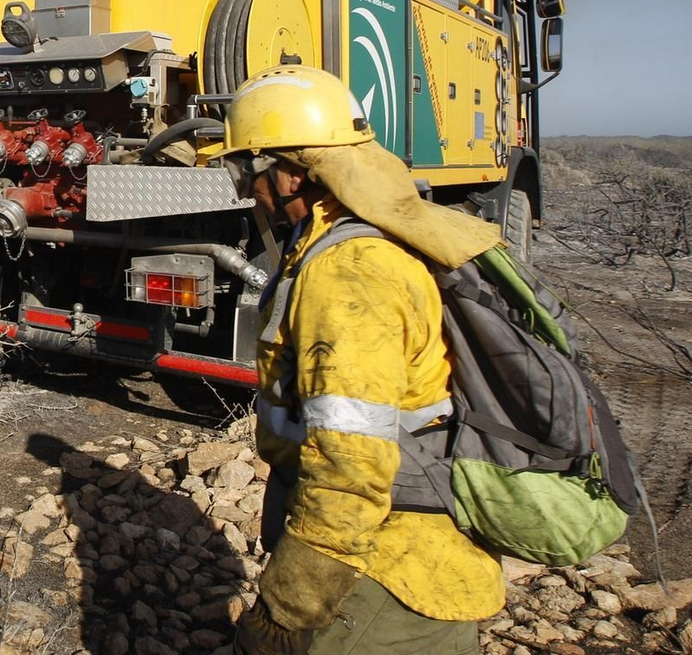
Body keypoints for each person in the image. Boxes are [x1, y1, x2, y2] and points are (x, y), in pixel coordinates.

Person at [217, 65, 506, 655]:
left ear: (293, 172)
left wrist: (288, 609)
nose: (246, 190)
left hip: (386, 575)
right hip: (395, 551)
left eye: (247, 170)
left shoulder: (350, 273)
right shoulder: (352, 238)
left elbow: (350, 466)